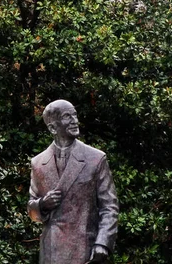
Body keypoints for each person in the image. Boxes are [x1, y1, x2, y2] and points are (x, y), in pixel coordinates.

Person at [28, 100, 118, 264]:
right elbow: (32, 210)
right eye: (67, 117)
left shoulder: (95, 158)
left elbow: (109, 206)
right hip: (51, 252)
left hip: (85, 249)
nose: (75, 121)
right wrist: (42, 205)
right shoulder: (38, 163)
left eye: (75, 115)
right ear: (53, 128)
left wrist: (103, 243)